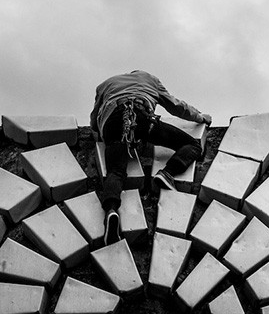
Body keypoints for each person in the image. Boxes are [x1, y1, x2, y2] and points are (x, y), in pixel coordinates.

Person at [90, 70, 211, 242]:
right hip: (140, 117)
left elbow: (94, 121)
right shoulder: (150, 79)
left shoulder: (105, 84)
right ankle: (167, 173)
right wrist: (200, 117)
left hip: (112, 124)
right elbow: (176, 106)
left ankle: (111, 211)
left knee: (115, 171)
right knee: (193, 145)